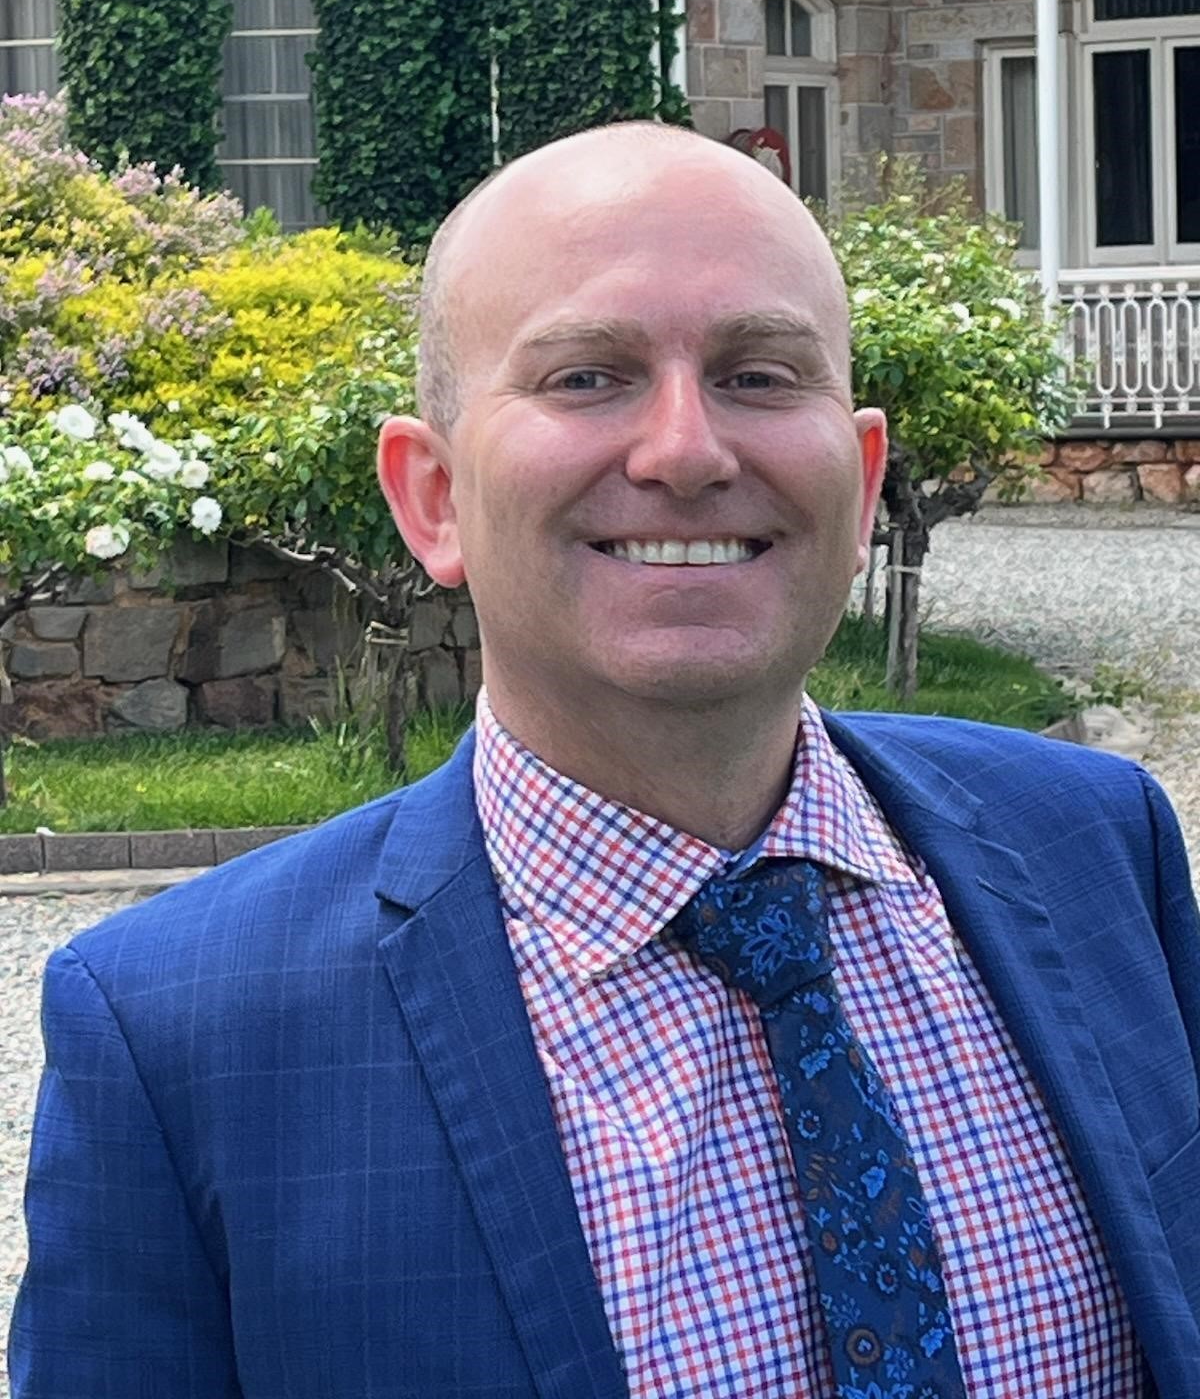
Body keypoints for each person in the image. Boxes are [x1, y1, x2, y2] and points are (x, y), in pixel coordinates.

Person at [10, 123, 1200, 1399]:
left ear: (861, 487)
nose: (687, 449)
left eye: (758, 373)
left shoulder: (1094, 845)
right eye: (587, 377)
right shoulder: (184, 1038)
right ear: (432, 496)